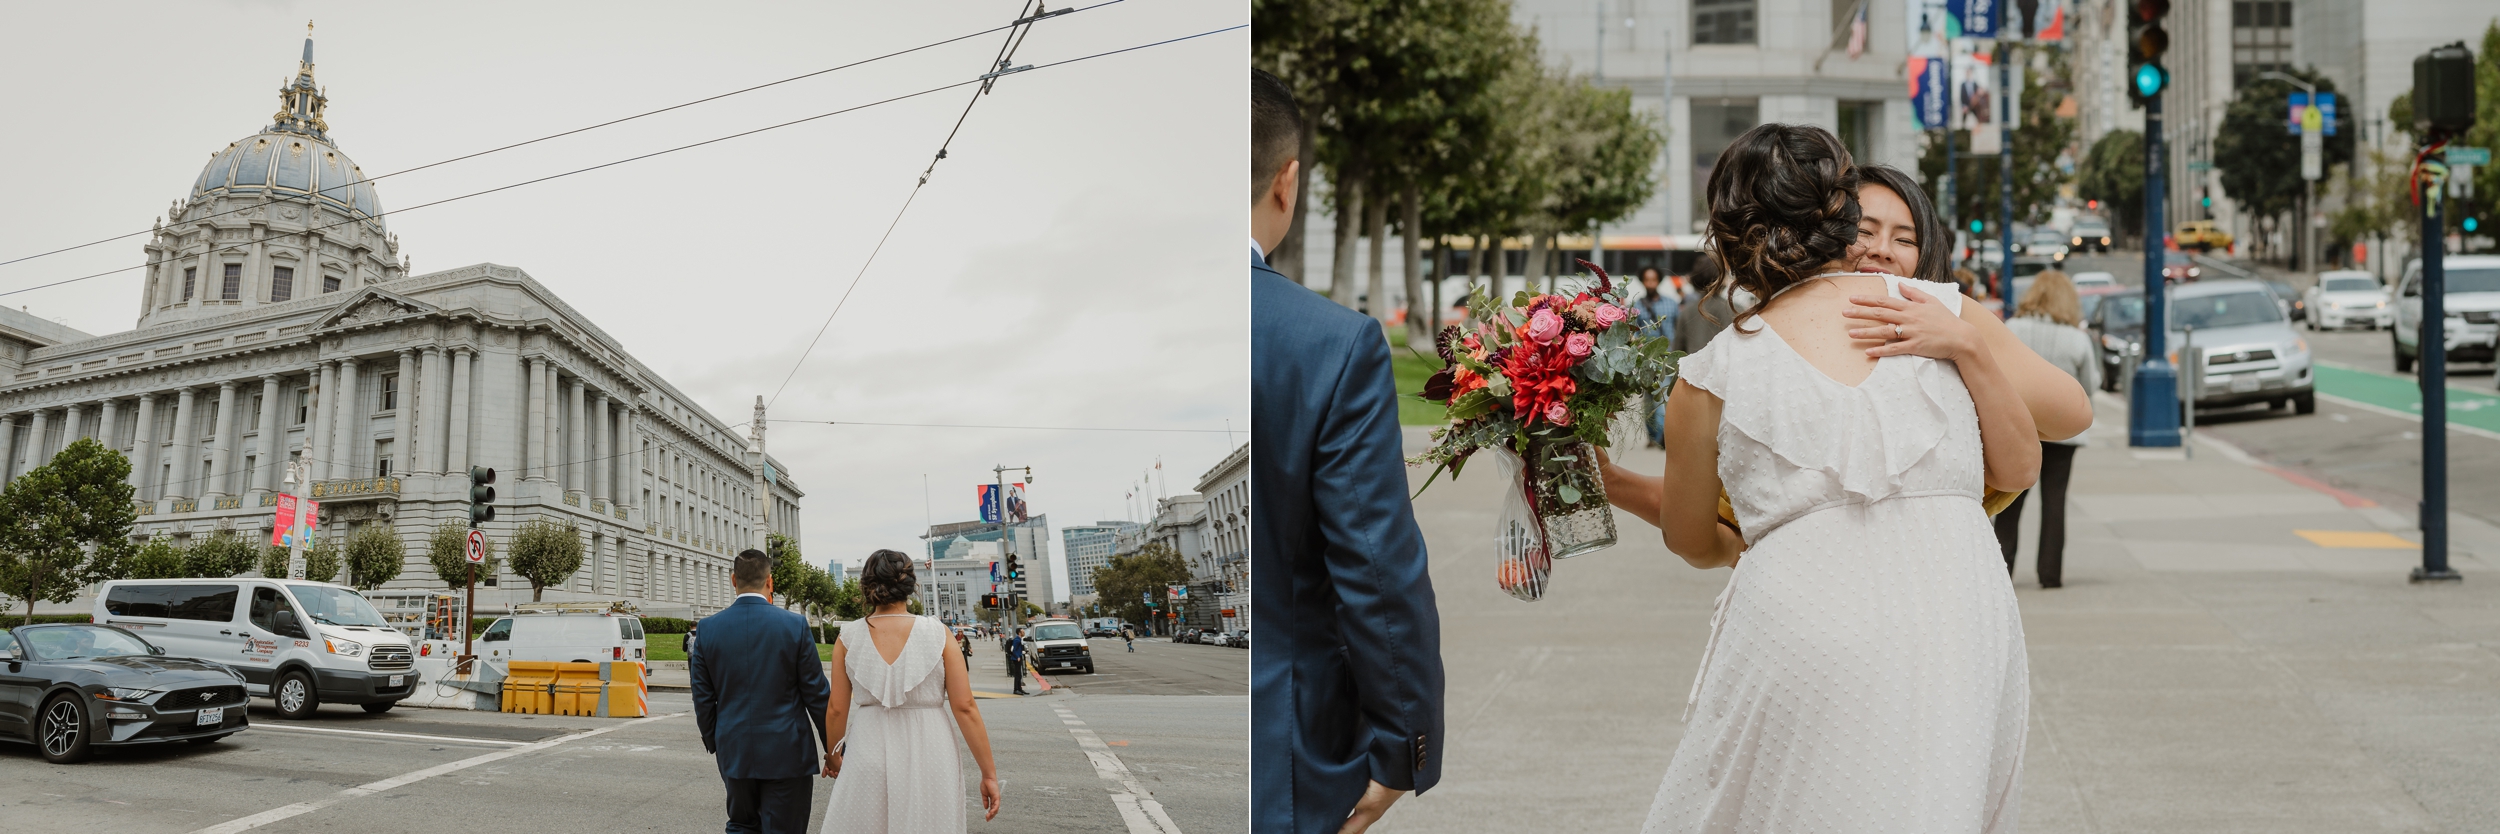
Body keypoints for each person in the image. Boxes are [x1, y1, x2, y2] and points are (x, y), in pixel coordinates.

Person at [1595, 124, 2092, 832]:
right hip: (1957, 614)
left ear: (1731, 235)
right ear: (1840, 219)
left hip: (1798, 620)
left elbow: (1698, 541)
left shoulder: (1711, 373)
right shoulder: (1935, 311)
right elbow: (2040, 447)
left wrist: (1610, 482)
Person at [1250, 68, 1445, 834]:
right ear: (1287, 182)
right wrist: (1404, 747)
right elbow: (1376, 566)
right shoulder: (1331, 344)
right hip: (1286, 755)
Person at [820, 550, 1001, 832]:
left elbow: (837, 708)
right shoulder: (938, 633)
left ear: (867, 587)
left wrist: (833, 755)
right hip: (931, 745)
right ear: (909, 585)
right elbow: (964, 706)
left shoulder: (848, 637)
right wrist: (988, 773)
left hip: (869, 744)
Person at [691, 550, 833, 834]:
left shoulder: (707, 629)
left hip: (735, 749)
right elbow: (816, 694)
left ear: (733, 580)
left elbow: (703, 698)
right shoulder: (794, 625)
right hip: (788, 753)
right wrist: (833, 748)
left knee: (742, 825)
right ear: (770, 581)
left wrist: (715, 740)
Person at [1994, 270, 2099, 588]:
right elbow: (2092, 385)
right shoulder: (2077, 338)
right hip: (2065, 435)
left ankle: (2001, 570)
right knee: (2055, 502)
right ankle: (2050, 573)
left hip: (2019, 427)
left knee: (2010, 502)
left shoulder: (2013, 329)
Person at [1637, 267, 1681, 449]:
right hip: (1646, 361)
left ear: (1659, 281)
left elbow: (1679, 330)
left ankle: (1663, 438)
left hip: (1667, 359)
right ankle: (1653, 436)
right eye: (1647, 280)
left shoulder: (1671, 304)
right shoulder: (1637, 306)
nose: (1650, 283)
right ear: (1642, 281)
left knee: (1663, 398)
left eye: (1653, 279)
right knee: (1648, 401)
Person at [1005, 628, 1027, 696]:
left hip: (1018, 657)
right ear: (1019, 633)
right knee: (1017, 674)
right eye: (1022, 631)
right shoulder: (1017, 640)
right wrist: (1017, 656)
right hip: (1016, 658)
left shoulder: (1019, 639)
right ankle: (1016, 689)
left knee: (1019, 674)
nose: (1024, 632)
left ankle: (1019, 688)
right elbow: (1013, 649)